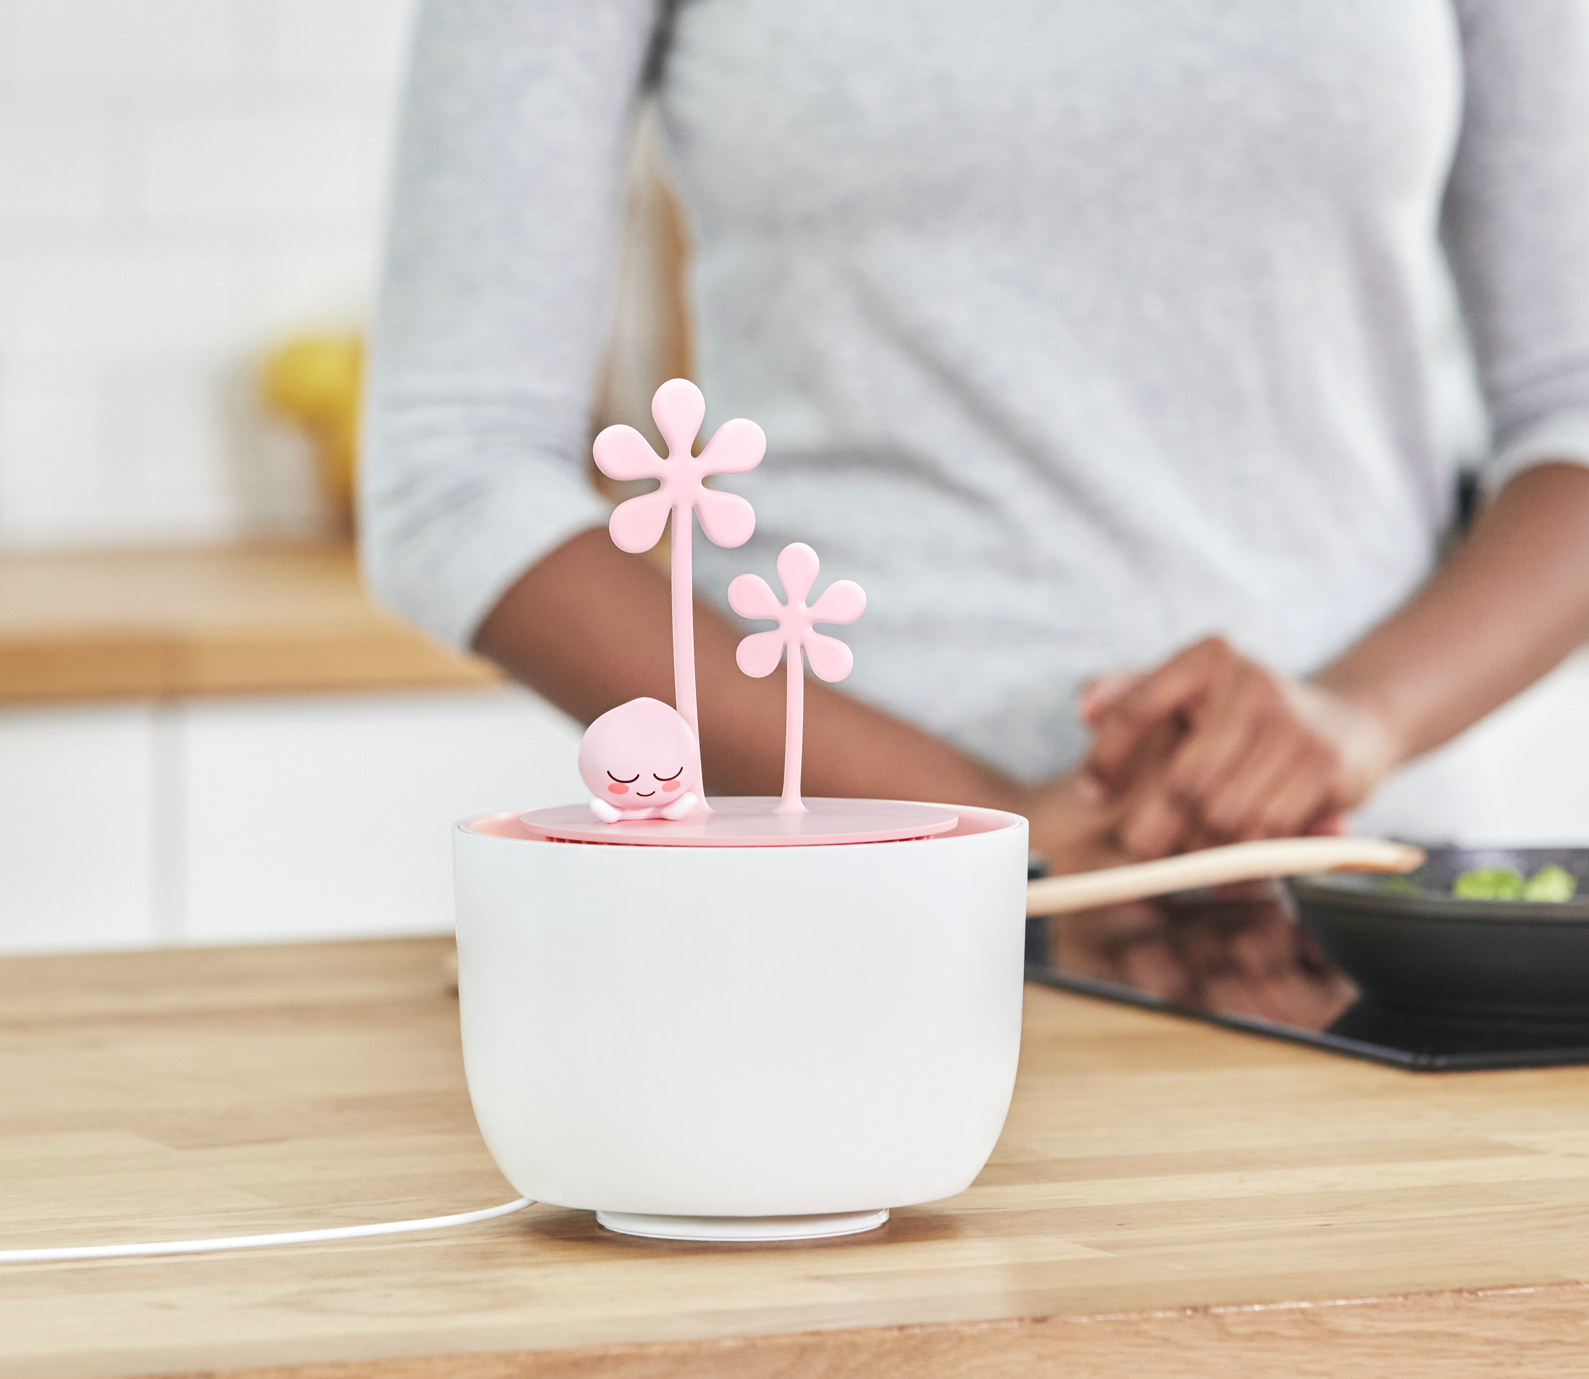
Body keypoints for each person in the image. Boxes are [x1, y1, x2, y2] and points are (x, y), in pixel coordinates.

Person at [362, 1, 1589, 874]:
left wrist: (1352, 717)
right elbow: (457, 466)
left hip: (1360, 902)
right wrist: (981, 826)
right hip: (845, 908)